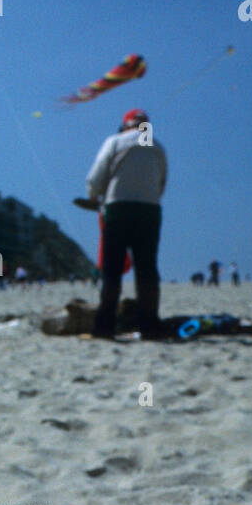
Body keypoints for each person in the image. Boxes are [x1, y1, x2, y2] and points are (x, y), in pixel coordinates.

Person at [85, 108, 167, 337]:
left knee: (112, 269)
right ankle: (150, 326)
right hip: (150, 211)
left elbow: (96, 176)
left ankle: (105, 327)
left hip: (118, 209)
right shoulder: (158, 147)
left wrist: (94, 195)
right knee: (147, 269)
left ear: (124, 125)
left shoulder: (115, 141)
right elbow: (161, 183)